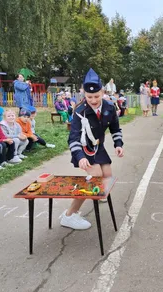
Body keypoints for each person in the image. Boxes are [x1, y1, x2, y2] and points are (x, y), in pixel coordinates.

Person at [60, 68, 124, 230]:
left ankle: (97, 194)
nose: (94, 100)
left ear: (102, 92)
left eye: (96, 96)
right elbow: (73, 138)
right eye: (89, 97)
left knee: (107, 175)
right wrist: (80, 156)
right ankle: (69, 216)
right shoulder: (80, 112)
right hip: (83, 149)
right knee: (95, 176)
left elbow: (115, 129)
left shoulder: (109, 107)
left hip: (98, 147)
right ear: (83, 94)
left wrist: (118, 145)